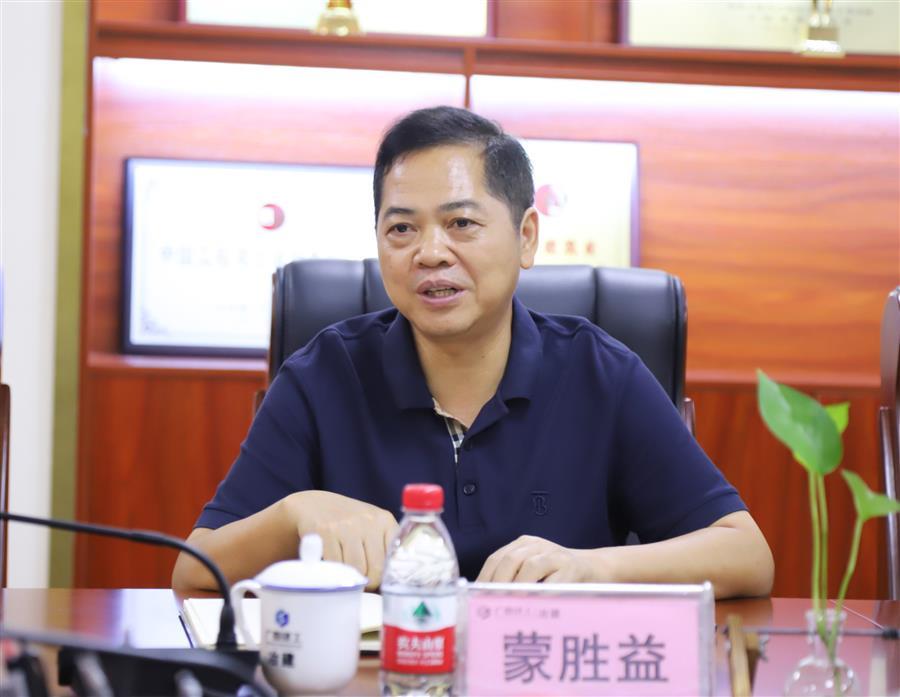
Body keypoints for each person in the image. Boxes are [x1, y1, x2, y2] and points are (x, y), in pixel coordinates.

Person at [172, 106, 773, 598]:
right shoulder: (323, 375)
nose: (430, 252)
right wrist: (294, 514)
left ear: (526, 237)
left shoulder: (599, 373)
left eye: (460, 223)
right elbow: (194, 570)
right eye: (401, 228)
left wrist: (594, 566)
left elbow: (746, 554)